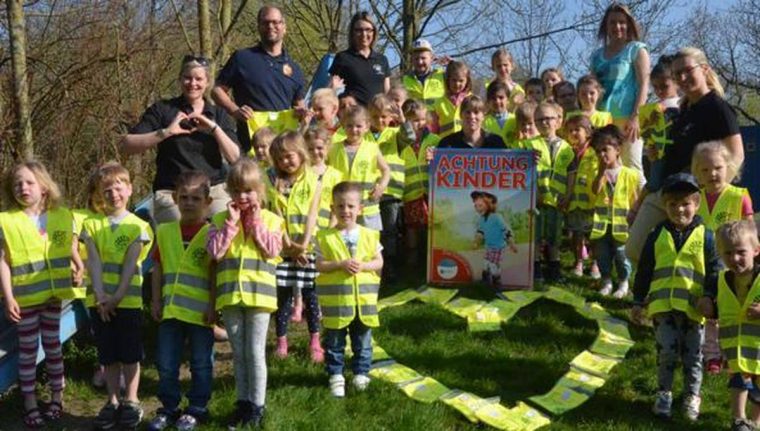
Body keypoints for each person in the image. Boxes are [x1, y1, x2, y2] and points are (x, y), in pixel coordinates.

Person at [625, 46, 743, 266]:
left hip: (694, 198)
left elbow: (736, 155)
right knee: (635, 249)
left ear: (705, 69)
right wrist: (655, 153)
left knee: (701, 260)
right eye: (677, 73)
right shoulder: (684, 109)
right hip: (666, 191)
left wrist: (712, 192)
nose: (682, 77)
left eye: (688, 70)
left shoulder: (718, 108)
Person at [0, 161, 84, 429]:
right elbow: (3, 261)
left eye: (29, 182)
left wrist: (78, 265)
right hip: (24, 300)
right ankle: (30, 404)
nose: (23, 187)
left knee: (53, 348)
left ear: (44, 187)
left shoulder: (61, 215)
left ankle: (56, 399)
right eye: (17, 184)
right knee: (27, 353)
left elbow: (68, 247)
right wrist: (9, 297)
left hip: (53, 297)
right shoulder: (7, 221)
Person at [631, 173, 720, 422]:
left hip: (693, 311)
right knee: (667, 352)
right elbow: (645, 270)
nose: (679, 209)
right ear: (664, 206)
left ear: (696, 204)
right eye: (672, 204)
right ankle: (664, 394)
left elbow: (714, 270)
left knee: (693, 357)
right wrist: (638, 301)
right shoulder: (656, 234)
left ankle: (692, 396)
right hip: (663, 308)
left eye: (685, 204)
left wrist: (710, 297)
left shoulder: (707, 237)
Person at [206, 158, 284, 429]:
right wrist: (230, 223)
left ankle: (257, 406)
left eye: (248, 191)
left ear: (259, 190)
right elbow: (214, 253)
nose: (242, 197)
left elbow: (272, 250)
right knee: (239, 353)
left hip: (259, 297)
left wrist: (256, 223)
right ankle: (243, 402)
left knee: (255, 352)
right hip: (230, 296)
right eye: (237, 191)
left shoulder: (273, 220)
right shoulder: (218, 219)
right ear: (229, 191)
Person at [121, 55, 240, 224]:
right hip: (172, 192)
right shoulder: (162, 110)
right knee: (180, 230)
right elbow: (127, 145)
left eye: (198, 79)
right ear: (179, 79)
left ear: (207, 83)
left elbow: (235, 157)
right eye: (187, 78)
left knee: (226, 225)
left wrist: (214, 129)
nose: (193, 84)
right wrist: (166, 132)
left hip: (213, 190)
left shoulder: (218, 114)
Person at [81, 162, 154, 431]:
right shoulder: (91, 225)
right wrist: (101, 297)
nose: (113, 194)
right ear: (100, 193)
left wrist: (116, 298)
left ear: (129, 189)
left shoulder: (139, 227)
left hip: (128, 301)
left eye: (118, 187)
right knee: (108, 354)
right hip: (99, 303)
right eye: (107, 189)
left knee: (130, 353)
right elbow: (94, 264)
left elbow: (129, 266)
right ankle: (112, 400)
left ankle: (132, 400)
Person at [148, 171, 216, 431]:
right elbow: (158, 268)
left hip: (200, 314)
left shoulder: (211, 233)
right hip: (171, 310)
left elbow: (214, 272)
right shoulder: (165, 231)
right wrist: (155, 301)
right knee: (166, 363)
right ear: (175, 199)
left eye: (196, 198)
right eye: (184, 197)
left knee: (201, 363)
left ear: (207, 202)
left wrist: (213, 306)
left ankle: (197, 407)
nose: (189, 203)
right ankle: (168, 407)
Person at [315, 181, 384, 398]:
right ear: (333, 208)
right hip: (336, 303)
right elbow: (319, 265)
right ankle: (336, 375)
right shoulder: (324, 237)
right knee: (334, 341)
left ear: (360, 208)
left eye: (351, 206)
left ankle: (361, 373)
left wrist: (363, 266)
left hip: (363, 303)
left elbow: (379, 262)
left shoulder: (370, 235)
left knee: (362, 341)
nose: (346, 211)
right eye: (341, 206)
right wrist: (339, 264)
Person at [692, 140, 754, 375]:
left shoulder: (739, 196)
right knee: (708, 312)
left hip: (733, 267)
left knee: (727, 312)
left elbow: (751, 233)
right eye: (705, 170)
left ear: (729, 167)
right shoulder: (695, 198)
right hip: (702, 264)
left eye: (717, 167)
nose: (712, 174)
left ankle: (729, 354)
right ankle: (710, 355)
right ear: (697, 172)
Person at [213, 5, 306, 153]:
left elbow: (299, 107)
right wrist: (235, 111)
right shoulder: (242, 58)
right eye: (265, 22)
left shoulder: (295, 69)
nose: (271, 26)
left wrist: (303, 114)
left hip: (283, 152)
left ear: (284, 27)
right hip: (250, 147)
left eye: (276, 22)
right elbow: (217, 90)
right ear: (259, 27)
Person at [265, 132, 324, 362]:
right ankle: (281, 341)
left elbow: (313, 213)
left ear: (300, 154)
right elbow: (276, 213)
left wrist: (304, 244)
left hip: (307, 246)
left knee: (311, 294)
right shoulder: (271, 179)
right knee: (283, 295)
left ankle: (315, 340)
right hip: (284, 247)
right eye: (279, 159)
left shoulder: (314, 178)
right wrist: (288, 244)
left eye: (288, 157)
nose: (284, 162)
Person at [590, 3, 650, 173]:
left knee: (631, 166)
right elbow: (591, 89)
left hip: (627, 118)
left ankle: (639, 200)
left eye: (622, 22)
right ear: (606, 26)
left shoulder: (636, 49)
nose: (617, 26)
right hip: (602, 120)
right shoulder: (596, 56)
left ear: (629, 24)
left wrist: (636, 116)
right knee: (605, 167)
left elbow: (644, 83)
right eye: (612, 23)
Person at [517, 102, 573, 282]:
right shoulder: (528, 145)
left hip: (558, 200)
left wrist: (568, 194)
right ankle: (536, 269)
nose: (544, 122)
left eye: (548, 118)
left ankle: (554, 270)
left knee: (554, 237)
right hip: (537, 199)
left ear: (558, 121)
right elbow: (522, 173)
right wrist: (533, 194)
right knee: (536, 235)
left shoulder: (567, 147)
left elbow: (572, 173)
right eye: (539, 119)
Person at [713, 221, 760, 431]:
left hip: (758, 347)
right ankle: (739, 419)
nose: (735, 258)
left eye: (741, 252)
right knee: (739, 381)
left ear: (756, 250)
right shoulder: (722, 279)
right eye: (728, 253)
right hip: (735, 346)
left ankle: (756, 421)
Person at [589, 125, 643, 297]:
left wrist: (635, 217)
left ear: (618, 150)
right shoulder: (598, 172)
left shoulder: (630, 174)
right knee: (602, 254)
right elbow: (595, 191)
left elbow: (636, 198)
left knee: (621, 254)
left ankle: (623, 281)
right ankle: (606, 280)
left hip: (622, 224)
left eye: (605, 150)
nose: (601, 155)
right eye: (598, 151)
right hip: (602, 224)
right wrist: (600, 173)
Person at [327, 105, 390, 231]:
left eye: (358, 126)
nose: (353, 130)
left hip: (367, 207)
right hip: (342, 209)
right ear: (343, 126)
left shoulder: (372, 148)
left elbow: (386, 170)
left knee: (369, 244)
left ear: (367, 127)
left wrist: (382, 186)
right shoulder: (333, 148)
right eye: (349, 126)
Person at [367, 94, 404, 281]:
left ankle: (390, 265)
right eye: (375, 116)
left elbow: (410, 136)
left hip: (392, 191)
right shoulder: (363, 134)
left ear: (390, 117)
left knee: (390, 231)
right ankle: (372, 264)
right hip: (370, 192)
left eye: (383, 116)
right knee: (372, 231)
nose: (379, 120)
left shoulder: (394, 133)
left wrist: (402, 119)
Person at [400, 99, 440, 267]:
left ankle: (430, 259)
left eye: (423, 119)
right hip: (409, 191)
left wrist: (436, 155)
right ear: (406, 120)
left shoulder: (434, 139)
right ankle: (412, 259)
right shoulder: (400, 141)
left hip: (429, 191)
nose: (420, 123)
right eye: (415, 120)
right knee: (412, 227)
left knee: (432, 225)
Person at [563, 115, 601, 280]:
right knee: (577, 234)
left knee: (594, 235)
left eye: (577, 130)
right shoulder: (568, 152)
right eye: (570, 130)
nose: (573, 133)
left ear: (588, 132)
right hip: (574, 201)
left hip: (592, 201)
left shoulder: (596, 151)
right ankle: (578, 261)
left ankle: (595, 263)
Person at [329, 11, 390, 106]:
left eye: (368, 30)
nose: (364, 34)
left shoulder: (382, 59)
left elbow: (387, 93)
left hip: (377, 117)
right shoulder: (343, 58)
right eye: (359, 30)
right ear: (352, 33)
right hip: (353, 117)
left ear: (374, 32)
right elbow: (332, 89)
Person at [640, 54, 680, 192]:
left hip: (678, 157)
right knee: (656, 186)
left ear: (676, 82)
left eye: (664, 86)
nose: (659, 91)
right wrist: (649, 148)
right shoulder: (652, 108)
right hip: (658, 158)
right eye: (655, 87)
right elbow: (646, 133)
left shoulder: (682, 104)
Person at [471, 191, 517, 286]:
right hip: (489, 246)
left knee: (493, 265)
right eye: (476, 206)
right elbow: (480, 232)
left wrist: (511, 244)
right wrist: (476, 242)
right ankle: (486, 279)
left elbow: (506, 231)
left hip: (498, 246)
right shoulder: (482, 219)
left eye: (480, 206)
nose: (477, 209)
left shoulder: (496, 217)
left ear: (488, 205)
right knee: (486, 263)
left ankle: (497, 280)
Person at [305, 127, 345, 229]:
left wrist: (330, 229)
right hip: (304, 227)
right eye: (310, 149)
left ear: (327, 148)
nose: (315, 152)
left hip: (326, 227)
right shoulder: (302, 173)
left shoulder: (336, 176)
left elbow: (337, 207)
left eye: (319, 148)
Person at [437, 95, 506, 149]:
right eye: (468, 112)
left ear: (483, 116)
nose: (472, 116)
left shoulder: (496, 142)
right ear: (461, 115)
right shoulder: (447, 144)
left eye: (476, 112)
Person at [431, 61, 472, 138]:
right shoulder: (439, 102)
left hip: (466, 145)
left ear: (467, 81)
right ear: (448, 80)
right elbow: (433, 129)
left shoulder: (471, 100)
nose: (457, 84)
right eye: (454, 80)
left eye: (461, 81)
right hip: (445, 145)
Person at [402, 39, 446, 107]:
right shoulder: (404, 80)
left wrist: (452, 64)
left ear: (431, 58)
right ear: (411, 60)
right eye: (416, 58)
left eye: (423, 58)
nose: (420, 62)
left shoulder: (442, 76)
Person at [483, 81, 518, 147]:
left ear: (508, 100)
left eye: (501, 97)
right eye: (493, 98)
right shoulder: (482, 122)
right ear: (488, 101)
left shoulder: (516, 120)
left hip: (513, 156)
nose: (497, 101)